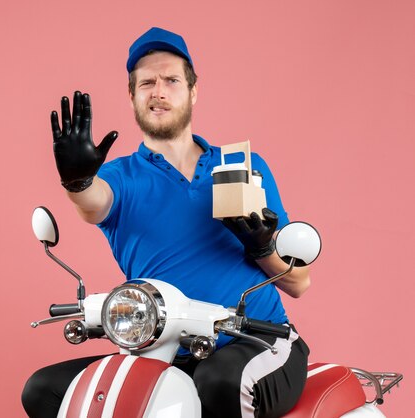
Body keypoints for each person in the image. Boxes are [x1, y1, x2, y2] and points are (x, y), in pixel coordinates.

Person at [22, 27, 310, 418]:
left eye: (171, 80)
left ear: (193, 91)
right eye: (147, 83)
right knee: (45, 389)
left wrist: (261, 246)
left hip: (259, 340)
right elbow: (92, 203)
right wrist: (77, 181)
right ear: (132, 96)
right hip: (165, 350)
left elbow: (298, 283)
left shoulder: (242, 168)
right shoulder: (120, 177)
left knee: (219, 381)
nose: (159, 91)